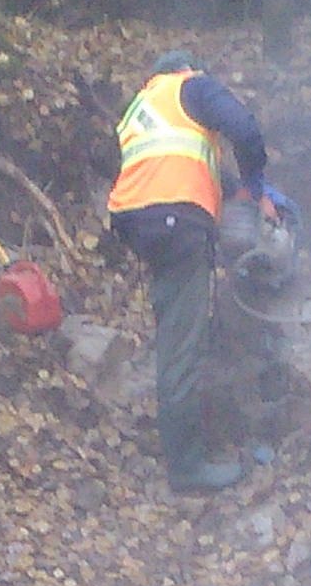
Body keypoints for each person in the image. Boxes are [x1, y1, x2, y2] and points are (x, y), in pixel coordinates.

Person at [107, 50, 297, 494]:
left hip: (139, 223)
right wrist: (257, 184)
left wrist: (239, 192)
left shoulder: (141, 105)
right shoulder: (193, 86)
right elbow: (245, 130)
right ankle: (186, 468)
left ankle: (184, 439)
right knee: (180, 348)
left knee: (178, 323)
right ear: (188, 70)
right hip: (177, 222)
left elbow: (182, 164)